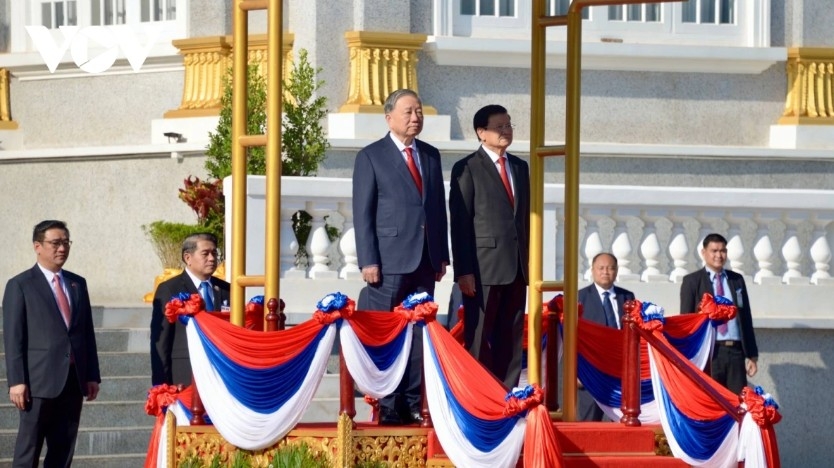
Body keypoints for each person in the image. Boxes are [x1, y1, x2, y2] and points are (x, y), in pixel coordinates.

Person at [352, 89, 450, 425]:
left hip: (424, 261)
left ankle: (412, 401)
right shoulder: (371, 156)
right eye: (408, 112)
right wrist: (368, 259)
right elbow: (362, 212)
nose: (415, 117)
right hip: (388, 263)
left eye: (419, 111)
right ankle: (389, 404)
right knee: (390, 335)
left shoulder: (431, 156)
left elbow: (437, 209)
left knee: (420, 333)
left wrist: (441, 255)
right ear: (389, 116)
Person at [3, 220, 101, 467]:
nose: (62, 249)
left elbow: (86, 333)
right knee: (29, 449)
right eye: (55, 243)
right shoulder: (20, 285)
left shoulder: (77, 283)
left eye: (66, 242)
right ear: (38, 246)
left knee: (63, 449)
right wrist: (16, 381)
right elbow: (14, 338)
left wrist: (91, 375)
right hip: (37, 383)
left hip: (72, 380)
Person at [449, 104, 530, 389]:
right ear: (481, 132)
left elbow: (524, 219)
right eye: (499, 127)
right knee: (480, 336)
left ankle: (506, 394)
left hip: (517, 267)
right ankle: (477, 395)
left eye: (509, 125)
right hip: (483, 269)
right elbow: (460, 224)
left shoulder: (520, 167)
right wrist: (464, 271)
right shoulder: (467, 168)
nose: (506, 131)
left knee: (512, 336)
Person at [680, 233, 758, 394]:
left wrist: (752, 354)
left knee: (737, 402)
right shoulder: (692, 281)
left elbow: (745, 317)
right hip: (710, 352)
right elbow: (686, 320)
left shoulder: (736, 280)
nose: (719, 255)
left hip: (735, 352)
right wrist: (688, 355)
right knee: (712, 399)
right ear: (704, 253)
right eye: (714, 251)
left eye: (722, 251)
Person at [150, 232, 230, 386]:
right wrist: (162, 385)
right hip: (185, 375)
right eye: (205, 254)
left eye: (214, 253)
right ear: (188, 258)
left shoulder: (227, 290)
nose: (212, 258)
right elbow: (161, 342)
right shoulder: (170, 289)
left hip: (221, 374)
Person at [576, 252, 635, 421]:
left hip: (618, 369)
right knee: (589, 421)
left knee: (619, 420)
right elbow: (571, 338)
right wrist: (576, 372)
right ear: (592, 270)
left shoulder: (627, 297)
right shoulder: (580, 297)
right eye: (601, 268)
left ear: (616, 271)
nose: (605, 272)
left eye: (610, 268)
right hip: (591, 370)